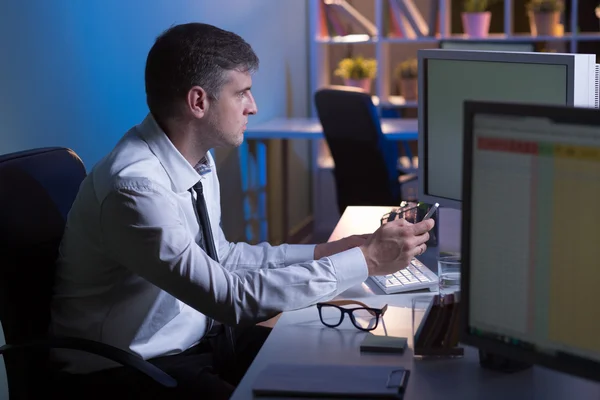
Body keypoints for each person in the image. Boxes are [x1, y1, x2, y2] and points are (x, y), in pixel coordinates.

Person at [49, 22, 434, 399]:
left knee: (342, 361)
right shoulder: (135, 188)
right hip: (126, 371)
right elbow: (228, 298)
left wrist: (334, 250)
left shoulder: (194, 159)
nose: (253, 107)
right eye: (242, 93)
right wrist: (365, 260)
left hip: (200, 340)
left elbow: (224, 258)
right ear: (199, 102)